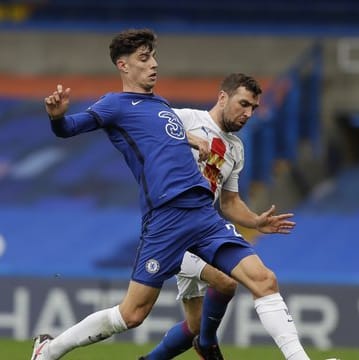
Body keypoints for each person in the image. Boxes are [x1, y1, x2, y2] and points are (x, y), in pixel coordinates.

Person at [31, 28, 310, 360]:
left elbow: (166, 138)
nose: (154, 65)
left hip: (203, 214)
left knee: (263, 279)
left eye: (154, 57)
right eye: (144, 58)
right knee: (131, 315)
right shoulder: (114, 105)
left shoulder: (162, 106)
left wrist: (194, 141)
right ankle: (50, 350)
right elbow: (69, 128)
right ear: (123, 65)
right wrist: (56, 117)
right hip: (166, 218)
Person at [140, 73, 297, 359]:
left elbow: (229, 202)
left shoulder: (236, 148)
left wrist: (256, 221)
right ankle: (208, 344)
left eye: (253, 108)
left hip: (199, 230)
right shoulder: (187, 118)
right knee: (224, 282)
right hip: (169, 229)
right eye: (243, 104)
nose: (248, 113)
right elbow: (146, 120)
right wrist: (187, 138)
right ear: (223, 97)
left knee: (193, 325)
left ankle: (183, 346)